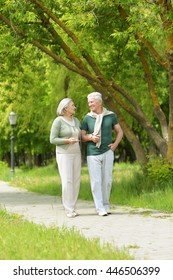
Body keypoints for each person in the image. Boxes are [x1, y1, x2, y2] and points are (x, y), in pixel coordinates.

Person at [81, 92, 123, 216]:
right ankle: (99, 208)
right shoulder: (87, 117)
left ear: (99, 102)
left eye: (91, 102)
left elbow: (120, 132)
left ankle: (106, 204)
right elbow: (82, 136)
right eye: (89, 102)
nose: (90, 104)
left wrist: (114, 145)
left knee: (107, 180)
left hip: (107, 152)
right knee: (96, 181)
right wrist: (90, 137)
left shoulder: (110, 116)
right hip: (93, 153)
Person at [50, 98, 81, 218]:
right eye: (72, 105)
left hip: (76, 153)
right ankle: (68, 209)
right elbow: (52, 139)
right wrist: (67, 141)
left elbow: (81, 135)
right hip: (64, 154)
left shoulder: (76, 120)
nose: (75, 107)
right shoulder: (58, 121)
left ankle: (73, 207)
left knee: (76, 180)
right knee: (67, 181)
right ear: (65, 108)